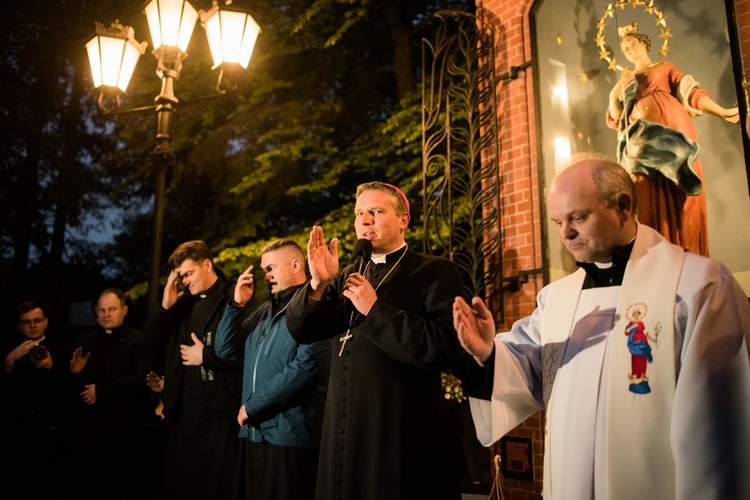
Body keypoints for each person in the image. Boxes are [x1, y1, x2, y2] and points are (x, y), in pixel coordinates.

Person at [453, 154, 750, 499]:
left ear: (623, 206)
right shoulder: (556, 298)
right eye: (558, 222)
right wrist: (488, 353)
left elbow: (718, 427)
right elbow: (526, 371)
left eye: (578, 217)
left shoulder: (697, 285)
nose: (566, 233)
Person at [285, 182, 464, 499]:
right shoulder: (348, 274)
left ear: (403, 220)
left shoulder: (434, 271)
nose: (364, 220)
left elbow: (444, 346)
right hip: (344, 429)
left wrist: (375, 309)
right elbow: (303, 329)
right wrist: (316, 283)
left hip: (398, 433)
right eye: (359, 213)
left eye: (376, 212)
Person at [606, 22, 739, 257]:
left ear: (644, 42)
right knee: (643, 194)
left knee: (680, 194)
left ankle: (685, 254)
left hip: (675, 134)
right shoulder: (625, 80)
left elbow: (691, 92)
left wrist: (722, 111)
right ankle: (654, 257)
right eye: (624, 48)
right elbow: (617, 117)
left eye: (631, 44)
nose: (627, 50)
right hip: (640, 143)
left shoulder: (665, 68)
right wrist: (613, 96)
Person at [215, 239, 329, 500]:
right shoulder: (263, 312)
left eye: (270, 268)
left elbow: (306, 367)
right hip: (255, 434)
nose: (265, 275)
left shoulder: (316, 305)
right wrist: (236, 305)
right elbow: (225, 350)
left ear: (296, 264)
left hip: (291, 436)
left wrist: (253, 406)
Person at [142, 240, 243, 499]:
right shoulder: (181, 304)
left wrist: (206, 357)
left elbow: (247, 353)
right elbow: (147, 344)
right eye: (181, 276)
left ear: (207, 265)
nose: (184, 281)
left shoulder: (235, 296)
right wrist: (165, 306)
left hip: (221, 417)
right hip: (182, 418)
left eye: (188, 274)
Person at [68, 288, 150, 499]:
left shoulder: (137, 340)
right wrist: (74, 374)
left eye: (112, 309)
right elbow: (74, 386)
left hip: (124, 431)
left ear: (124, 310)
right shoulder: (86, 340)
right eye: (102, 310)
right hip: (92, 432)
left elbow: (142, 378)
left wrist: (103, 391)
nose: (106, 314)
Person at [1, 301, 70, 500]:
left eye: (37, 320)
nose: (33, 325)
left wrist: (50, 367)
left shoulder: (61, 349)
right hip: (18, 437)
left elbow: (67, 389)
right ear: (19, 326)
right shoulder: (10, 352)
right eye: (27, 322)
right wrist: (9, 361)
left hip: (52, 435)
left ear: (46, 322)